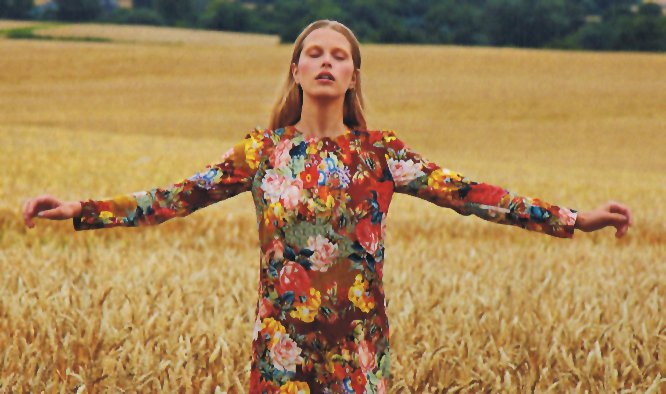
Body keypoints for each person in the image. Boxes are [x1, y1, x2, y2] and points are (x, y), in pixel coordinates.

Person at [22, 19, 632, 394]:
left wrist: (576, 219)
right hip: (280, 347)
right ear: (296, 69)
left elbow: (475, 196)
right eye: (314, 52)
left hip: (359, 349)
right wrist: (81, 208)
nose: (325, 62)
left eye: (339, 55)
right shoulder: (262, 152)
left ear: (353, 77)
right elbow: (173, 198)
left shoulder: (381, 153)